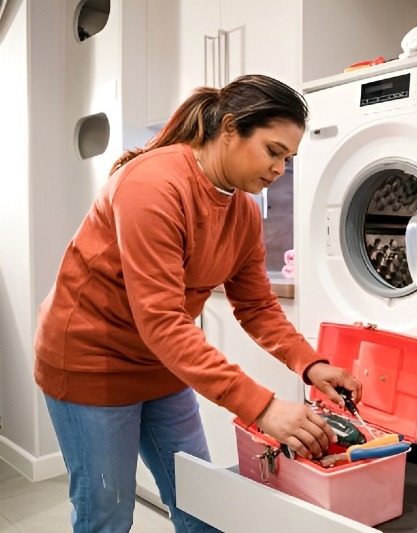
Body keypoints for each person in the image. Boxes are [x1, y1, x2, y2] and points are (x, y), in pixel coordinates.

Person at [33, 74, 361, 532]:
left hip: (161, 366)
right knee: (106, 515)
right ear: (229, 128)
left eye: (288, 158)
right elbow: (163, 321)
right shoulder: (152, 185)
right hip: (93, 364)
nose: (279, 169)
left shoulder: (243, 211)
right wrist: (264, 408)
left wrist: (310, 364)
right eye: (273, 151)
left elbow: (257, 307)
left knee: (203, 503)